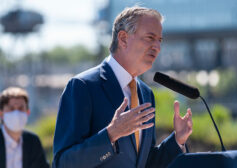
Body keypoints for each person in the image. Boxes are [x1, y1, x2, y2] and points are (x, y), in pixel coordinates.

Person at [53, 6, 193, 168]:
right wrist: (111, 134)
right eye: (150, 37)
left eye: (159, 40)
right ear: (123, 38)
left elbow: (144, 162)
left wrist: (177, 140)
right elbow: (63, 163)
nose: (157, 46)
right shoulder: (83, 86)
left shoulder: (146, 93)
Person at [0, 87, 49, 168]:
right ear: (1, 113)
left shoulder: (33, 142)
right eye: (11, 109)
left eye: (20, 109)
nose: (16, 113)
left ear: (27, 112)